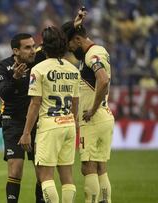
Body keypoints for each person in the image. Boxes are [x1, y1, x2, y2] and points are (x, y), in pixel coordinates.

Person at [19, 26, 80, 203]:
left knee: (46, 176)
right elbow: (75, 102)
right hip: (68, 124)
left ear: (44, 47)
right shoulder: (73, 70)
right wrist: (73, 122)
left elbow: (35, 103)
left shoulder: (38, 70)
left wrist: (26, 133)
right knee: (67, 176)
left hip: (49, 125)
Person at [62, 9, 114, 203]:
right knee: (101, 167)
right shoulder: (95, 52)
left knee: (87, 167)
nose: (70, 50)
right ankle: (105, 200)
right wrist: (75, 24)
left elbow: (103, 79)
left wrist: (92, 108)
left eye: (70, 45)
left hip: (93, 118)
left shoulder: (93, 54)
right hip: (104, 116)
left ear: (77, 40)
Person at [0, 33, 46, 203]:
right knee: (15, 170)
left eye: (33, 46)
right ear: (16, 50)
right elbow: (4, 94)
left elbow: (58, 40)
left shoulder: (39, 59)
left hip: (37, 122)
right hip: (13, 122)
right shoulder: (3, 67)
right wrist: (15, 78)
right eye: (28, 47)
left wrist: (75, 26)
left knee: (42, 172)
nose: (33, 50)